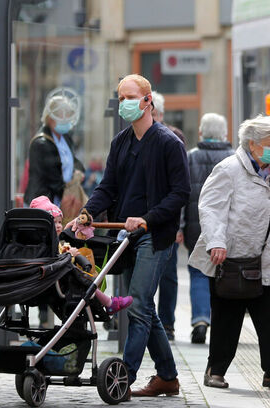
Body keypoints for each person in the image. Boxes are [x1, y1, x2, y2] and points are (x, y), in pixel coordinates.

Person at [79, 74, 189, 397]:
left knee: (138, 305)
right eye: (120, 98)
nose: (124, 103)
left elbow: (180, 193)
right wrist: (87, 211)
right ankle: (167, 376)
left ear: (147, 100)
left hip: (155, 236)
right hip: (125, 236)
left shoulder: (170, 143)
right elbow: (108, 188)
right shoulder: (120, 143)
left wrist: (147, 219)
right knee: (144, 308)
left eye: (130, 97)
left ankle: (123, 376)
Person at [189, 115, 270, 390]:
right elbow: (211, 208)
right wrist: (216, 242)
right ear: (252, 145)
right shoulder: (228, 169)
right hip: (232, 259)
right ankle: (215, 371)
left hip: (265, 261)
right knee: (227, 318)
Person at [30, 195, 133, 314]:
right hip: (55, 281)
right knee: (82, 277)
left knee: (83, 276)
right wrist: (70, 255)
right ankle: (108, 303)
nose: (58, 226)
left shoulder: (35, 244)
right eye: (54, 222)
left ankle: (107, 302)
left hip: (45, 280)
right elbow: (55, 260)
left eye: (60, 222)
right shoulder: (47, 244)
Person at [183, 113, 234, 344]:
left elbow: (182, 195)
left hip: (197, 227)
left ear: (201, 132)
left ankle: (201, 321)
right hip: (228, 228)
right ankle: (225, 327)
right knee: (226, 274)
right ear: (225, 134)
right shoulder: (234, 158)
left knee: (199, 273)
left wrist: (181, 226)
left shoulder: (190, 158)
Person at [25, 91, 85, 223]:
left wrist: (79, 171)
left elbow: (73, 160)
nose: (67, 121)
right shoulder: (41, 143)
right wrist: (69, 193)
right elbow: (53, 178)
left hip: (63, 200)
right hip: (45, 203)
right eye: (64, 116)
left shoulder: (66, 138)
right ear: (51, 118)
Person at [152, 91, 183, 341]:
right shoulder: (128, 139)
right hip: (142, 224)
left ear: (160, 114)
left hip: (167, 223)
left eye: (153, 113)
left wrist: (179, 225)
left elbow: (182, 189)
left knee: (169, 275)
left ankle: (167, 323)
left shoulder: (173, 140)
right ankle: (155, 324)